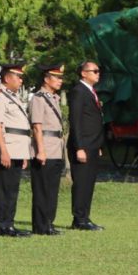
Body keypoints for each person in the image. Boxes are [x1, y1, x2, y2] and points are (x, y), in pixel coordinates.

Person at [0, 63, 32, 237]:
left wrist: (24, 153)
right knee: (3, 188)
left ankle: (9, 223)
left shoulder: (14, 96)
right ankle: (1, 225)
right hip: (6, 149)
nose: (21, 80)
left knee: (12, 188)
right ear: (7, 78)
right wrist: (3, 151)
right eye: (18, 76)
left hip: (18, 148)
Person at [29, 63, 67, 236]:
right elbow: (37, 126)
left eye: (61, 78)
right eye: (56, 77)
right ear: (46, 79)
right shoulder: (39, 98)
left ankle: (49, 222)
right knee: (42, 189)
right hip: (45, 146)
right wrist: (41, 150)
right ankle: (40, 225)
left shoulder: (53, 98)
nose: (60, 81)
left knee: (52, 189)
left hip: (56, 147)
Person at [67, 61, 105, 230]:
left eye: (99, 71)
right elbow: (76, 121)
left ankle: (85, 216)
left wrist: (97, 145)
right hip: (83, 146)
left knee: (89, 182)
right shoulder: (78, 91)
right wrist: (79, 147)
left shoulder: (90, 92)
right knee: (82, 183)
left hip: (92, 145)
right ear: (83, 73)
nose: (98, 74)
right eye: (94, 71)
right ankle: (79, 219)